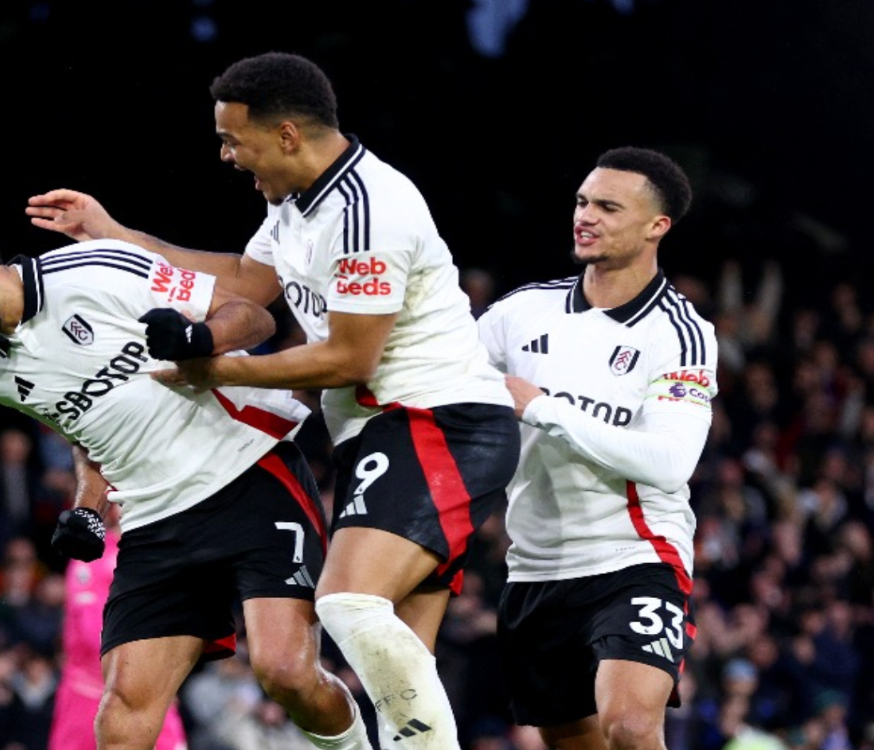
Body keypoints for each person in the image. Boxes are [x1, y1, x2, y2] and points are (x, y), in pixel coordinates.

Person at [26, 50, 519, 750]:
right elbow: (245, 282)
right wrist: (118, 237)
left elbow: (351, 357)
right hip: (379, 435)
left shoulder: (365, 209)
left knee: (346, 603)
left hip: (436, 421)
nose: (227, 155)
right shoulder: (296, 206)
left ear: (287, 134)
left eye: (234, 138)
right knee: (398, 664)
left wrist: (215, 372)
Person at [0, 196, 372, 750]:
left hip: (248, 471)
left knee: (285, 672)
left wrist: (200, 339)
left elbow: (252, 315)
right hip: (154, 519)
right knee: (121, 718)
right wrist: (87, 505)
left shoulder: (94, 268)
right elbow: (89, 439)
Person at [476, 147, 718, 750]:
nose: (586, 216)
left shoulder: (679, 334)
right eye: (583, 202)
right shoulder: (520, 312)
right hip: (534, 567)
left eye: (609, 207)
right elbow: (434, 381)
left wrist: (543, 408)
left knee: (632, 728)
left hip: (634, 555)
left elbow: (669, 462)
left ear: (656, 226)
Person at [49, 501, 187, 750]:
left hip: (145, 688)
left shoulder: (159, 556)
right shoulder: (91, 553)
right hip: (89, 692)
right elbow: (93, 633)